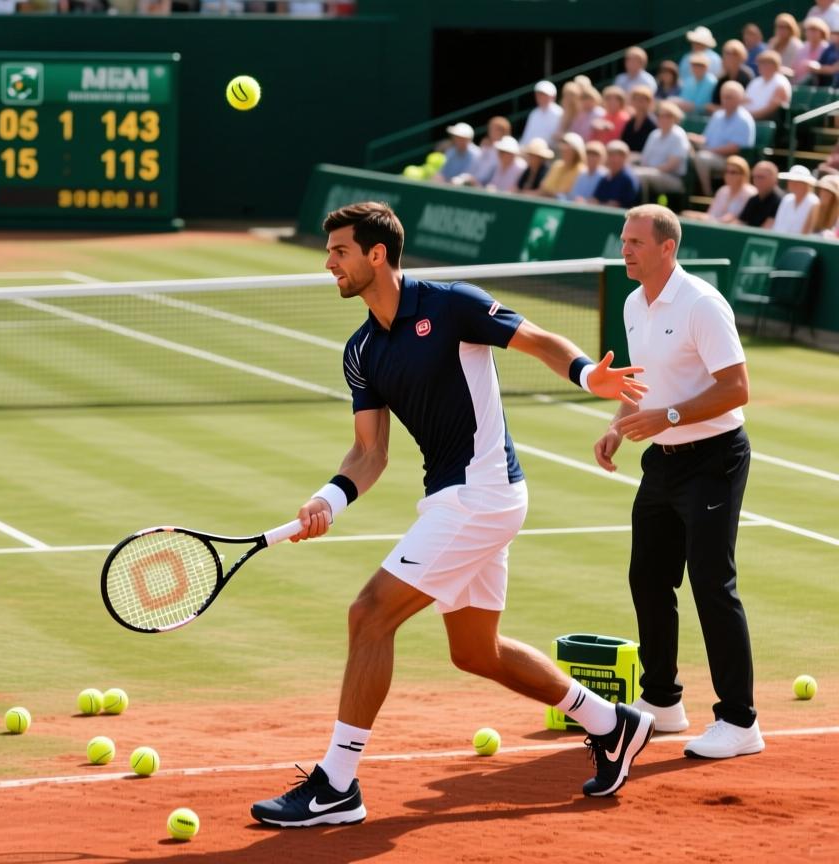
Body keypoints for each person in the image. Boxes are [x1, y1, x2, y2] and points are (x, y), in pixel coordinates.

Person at [249, 201, 655, 828]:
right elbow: (369, 452)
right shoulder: (361, 350)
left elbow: (536, 339)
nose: (329, 264)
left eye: (339, 252)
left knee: (369, 615)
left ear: (376, 254)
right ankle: (612, 721)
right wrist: (328, 499)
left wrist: (584, 375)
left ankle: (337, 783)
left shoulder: (450, 303)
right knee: (476, 650)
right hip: (455, 497)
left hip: (481, 493)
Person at [596, 203, 761, 761]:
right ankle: (662, 703)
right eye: (624, 240)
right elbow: (641, 381)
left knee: (712, 584)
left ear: (667, 248)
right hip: (662, 463)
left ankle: (740, 722)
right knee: (648, 577)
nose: (626, 249)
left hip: (714, 460)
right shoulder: (632, 302)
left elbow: (736, 388)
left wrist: (666, 418)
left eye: (636, 242)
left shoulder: (701, 304)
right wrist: (618, 429)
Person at [688, 81, 755, 197]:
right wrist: (691, 138)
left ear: (739, 99)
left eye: (729, 97)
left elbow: (734, 148)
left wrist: (709, 151)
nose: (725, 100)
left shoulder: (744, 120)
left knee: (702, 158)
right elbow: (706, 139)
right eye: (723, 97)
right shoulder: (717, 115)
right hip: (710, 152)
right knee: (686, 151)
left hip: (729, 159)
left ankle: (706, 193)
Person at [633, 100, 690, 201]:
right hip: (652, 172)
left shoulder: (679, 135)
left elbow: (671, 166)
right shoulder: (654, 134)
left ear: (675, 118)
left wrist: (650, 170)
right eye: (661, 115)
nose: (664, 119)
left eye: (668, 116)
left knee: (641, 175)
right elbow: (644, 160)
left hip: (673, 178)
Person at [681, 155, 756, 222]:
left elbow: (733, 218)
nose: (728, 175)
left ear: (743, 175)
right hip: (715, 224)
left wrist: (704, 219)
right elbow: (711, 214)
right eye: (726, 171)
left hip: (734, 231)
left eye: (733, 172)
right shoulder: (722, 190)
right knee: (685, 214)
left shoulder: (750, 193)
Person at [732, 160, 784, 228]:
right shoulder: (753, 200)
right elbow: (740, 223)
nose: (757, 180)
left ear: (774, 179)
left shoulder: (781, 201)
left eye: (761, 177)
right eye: (755, 177)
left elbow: (766, 231)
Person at [590, 140, 640, 208]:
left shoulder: (628, 178)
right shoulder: (605, 178)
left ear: (626, 158)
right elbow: (595, 200)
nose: (615, 159)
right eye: (611, 155)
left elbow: (620, 206)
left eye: (620, 155)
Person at [707, 40, 754, 113]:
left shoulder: (747, 76)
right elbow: (712, 105)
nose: (728, 57)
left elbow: (747, 102)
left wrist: (721, 109)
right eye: (726, 54)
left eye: (734, 54)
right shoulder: (721, 79)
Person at [744, 50, 792, 121]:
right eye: (761, 63)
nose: (762, 66)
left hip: (766, 121)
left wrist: (749, 117)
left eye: (766, 64)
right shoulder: (755, 81)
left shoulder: (781, 83)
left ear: (775, 66)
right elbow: (744, 100)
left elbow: (770, 110)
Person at [772, 165, 821, 234]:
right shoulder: (787, 199)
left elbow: (807, 232)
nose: (792, 183)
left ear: (806, 184)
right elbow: (778, 224)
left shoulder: (814, 202)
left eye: (797, 181)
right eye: (791, 180)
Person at [537, 132, 585, 198]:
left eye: (568, 150)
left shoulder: (582, 171)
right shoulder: (556, 165)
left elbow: (571, 195)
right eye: (563, 150)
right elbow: (544, 188)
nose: (565, 152)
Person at [519, 80, 563, 148]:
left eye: (544, 95)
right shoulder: (534, 114)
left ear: (553, 96)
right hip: (532, 151)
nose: (540, 97)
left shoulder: (559, 113)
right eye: (539, 94)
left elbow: (556, 138)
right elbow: (526, 137)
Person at [620, 85, 657, 154]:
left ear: (649, 102)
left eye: (643, 99)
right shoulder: (630, 122)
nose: (639, 102)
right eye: (636, 99)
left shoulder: (653, 123)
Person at [793, 17, 832, 83]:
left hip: (819, 82)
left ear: (822, 32)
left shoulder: (826, 48)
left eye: (814, 30)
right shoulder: (802, 48)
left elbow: (830, 68)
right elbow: (795, 67)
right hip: (799, 82)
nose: (811, 33)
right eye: (809, 30)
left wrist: (814, 67)